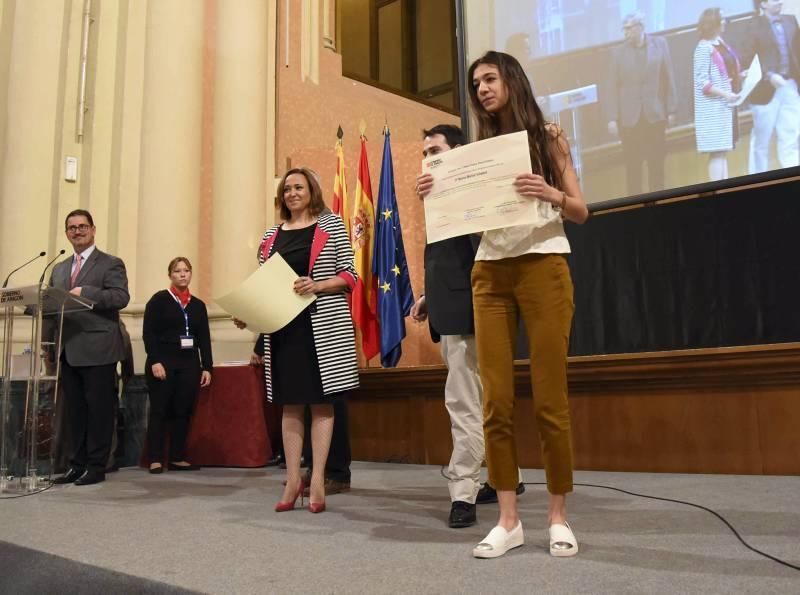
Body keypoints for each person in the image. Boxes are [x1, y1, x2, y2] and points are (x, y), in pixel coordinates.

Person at [466, 51, 589, 558]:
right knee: (494, 401)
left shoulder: (548, 137)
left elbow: (581, 210)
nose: (482, 89)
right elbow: (465, 215)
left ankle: (558, 517)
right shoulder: (477, 150)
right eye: (476, 83)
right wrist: (436, 192)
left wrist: (551, 193)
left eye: (490, 79)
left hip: (543, 264)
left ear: (512, 80)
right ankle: (508, 520)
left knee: (549, 399)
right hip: (489, 272)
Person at [413, 124, 524, 529]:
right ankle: (502, 475)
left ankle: (463, 491)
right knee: (476, 399)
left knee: (466, 404)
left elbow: (492, 245)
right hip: (450, 306)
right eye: (425, 152)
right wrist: (429, 295)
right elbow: (449, 255)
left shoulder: (478, 188)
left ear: (458, 153)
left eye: (436, 150)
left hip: (479, 307)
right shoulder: (437, 196)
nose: (428, 158)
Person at [236, 167, 358, 514]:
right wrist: (249, 311)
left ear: (311, 190)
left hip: (323, 327)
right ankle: (293, 479)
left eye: (298, 187)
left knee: (321, 403)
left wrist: (317, 285)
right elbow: (266, 284)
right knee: (290, 404)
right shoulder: (270, 236)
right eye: (286, 188)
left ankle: (317, 478)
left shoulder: (330, 225)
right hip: (283, 329)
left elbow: (351, 274)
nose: (292, 193)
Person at [51, 209, 130, 486]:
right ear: (66, 233)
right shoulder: (58, 269)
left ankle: (97, 466)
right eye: (72, 227)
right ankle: (77, 464)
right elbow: (52, 305)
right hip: (69, 349)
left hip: (99, 348)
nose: (77, 231)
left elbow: (121, 297)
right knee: (75, 413)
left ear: (93, 230)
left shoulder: (110, 263)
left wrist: (87, 292)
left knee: (99, 411)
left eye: (83, 226)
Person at [142, 257, 212, 474]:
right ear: (170, 275)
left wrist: (207, 366)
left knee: (183, 411)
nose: (182, 274)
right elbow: (149, 334)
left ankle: (177, 456)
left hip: (189, 363)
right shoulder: (159, 300)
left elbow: (204, 337)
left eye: (186, 270)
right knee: (160, 410)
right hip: (163, 362)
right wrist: (155, 360)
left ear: (191, 274)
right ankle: (155, 458)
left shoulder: (198, 305)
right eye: (177, 271)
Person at [605, 11, 677, 195]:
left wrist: (671, 109)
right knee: (633, 167)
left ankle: (659, 201)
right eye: (624, 29)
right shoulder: (618, 53)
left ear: (640, 27)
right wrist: (612, 118)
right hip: (630, 119)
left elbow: (668, 78)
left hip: (655, 114)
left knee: (657, 162)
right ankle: (635, 206)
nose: (625, 33)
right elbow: (611, 87)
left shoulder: (660, 44)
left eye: (628, 28)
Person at [745, 0, 800, 174]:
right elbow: (747, 60)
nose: (781, 2)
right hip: (764, 90)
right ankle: (757, 180)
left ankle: (792, 175)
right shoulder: (752, 26)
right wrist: (768, 75)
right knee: (762, 140)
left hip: (790, 85)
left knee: (791, 135)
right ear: (763, 4)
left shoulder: (791, 20)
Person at [693, 8, 743, 181]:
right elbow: (703, 83)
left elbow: (725, 71)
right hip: (713, 109)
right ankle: (718, 190)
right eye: (721, 19)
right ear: (712, 24)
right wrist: (725, 94)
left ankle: (725, 188)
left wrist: (740, 75)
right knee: (717, 153)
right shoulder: (703, 48)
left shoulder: (720, 42)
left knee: (723, 152)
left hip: (725, 106)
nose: (725, 22)